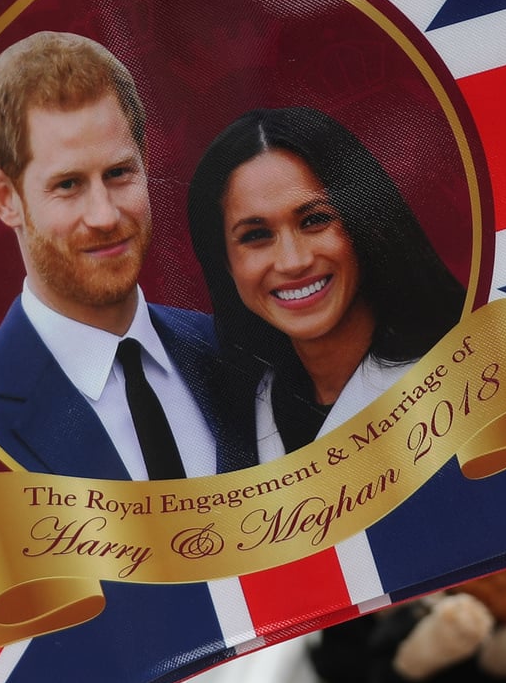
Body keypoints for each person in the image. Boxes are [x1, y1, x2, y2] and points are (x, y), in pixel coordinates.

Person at [0, 32, 254, 479]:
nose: (105, 215)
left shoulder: (235, 356)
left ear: (145, 162)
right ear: (5, 198)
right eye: (68, 184)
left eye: (118, 173)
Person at [186, 107, 466, 460]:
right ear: (224, 262)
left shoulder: (459, 375)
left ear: (363, 224)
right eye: (256, 235)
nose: (293, 261)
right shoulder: (244, 415)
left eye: (315, 221)